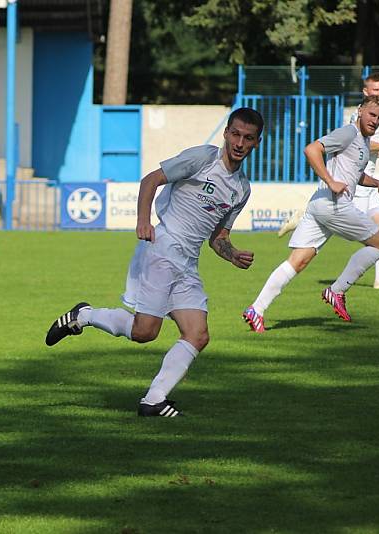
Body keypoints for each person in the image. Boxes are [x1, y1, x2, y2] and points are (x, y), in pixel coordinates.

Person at [45, 107, 264, 418]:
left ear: (256, 142)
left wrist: (233, 254)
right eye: (236, 134)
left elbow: (218, 237)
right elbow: (151, 180)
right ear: (226, 133)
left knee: (198, 335)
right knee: (145, 332)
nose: (240, 143)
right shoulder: (203, 158)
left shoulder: (242, 189)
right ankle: (85, 315)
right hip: (162, 249)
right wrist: (143, 220)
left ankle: (153, 400)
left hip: (187, 263)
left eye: (248, 138)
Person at [243, 95, 379, 333]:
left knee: (298, 261)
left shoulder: (363, 141)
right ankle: (337, 291)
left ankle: (256, 310)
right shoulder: (349, 133)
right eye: (372, 115)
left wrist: (377, 183)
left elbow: (354, 175)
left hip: (320, 205)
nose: (375, 121)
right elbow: (312, 149)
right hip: (335, 205)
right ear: (360, 110)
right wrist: (331, 181)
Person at [278, 72, 379, 289]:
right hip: (349, 186)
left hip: (365, 179)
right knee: (317, 246)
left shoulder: (376, 115)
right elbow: (354, 145)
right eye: (376, 90)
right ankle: (337, 290)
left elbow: (365, 151)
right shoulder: (355, 121)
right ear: (365, 94)